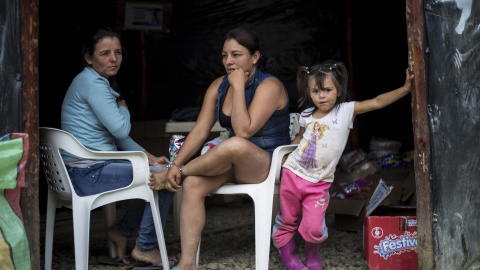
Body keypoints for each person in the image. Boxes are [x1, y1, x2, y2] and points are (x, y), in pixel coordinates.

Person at [148, 28, 291, 270]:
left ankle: (178, 174)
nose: (229, 61)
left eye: (236, 55)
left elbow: (244, 131)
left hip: (265, 163)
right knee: (193, 185)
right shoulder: (218, 85)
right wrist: (174, 162)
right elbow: (200, 130)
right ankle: (187, 263)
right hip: (233, 162)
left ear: (254, 57)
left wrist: (237, 88)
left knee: (234, 142)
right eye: (224, 56)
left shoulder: (269, 85)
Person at [271, 60, 414, 270]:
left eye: (327, 90)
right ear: (309, 93)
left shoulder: (346, 110)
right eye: (315, 91)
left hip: (319, 183)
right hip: (293, 174)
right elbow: (300, 139)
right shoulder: (306, 116)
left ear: (338, 91)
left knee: (314, 224)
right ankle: (289, 257)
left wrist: (405, 89)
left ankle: (312, 252)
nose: (321, 96)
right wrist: (285, 157)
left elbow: (377, 102)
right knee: (287, 220)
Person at [61, 27, 175, 266]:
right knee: (167, 179)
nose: (114, 58)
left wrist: (152, 159)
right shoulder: (93, 84)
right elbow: (122, 130)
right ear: (89, 58)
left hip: (84, 168)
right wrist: (123, 108)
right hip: (88, 172)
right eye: (105, 53)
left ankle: (121, 232)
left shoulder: (90, 81)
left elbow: (119, 139)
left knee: (158, 173)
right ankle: (144, 247)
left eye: (118, 52)